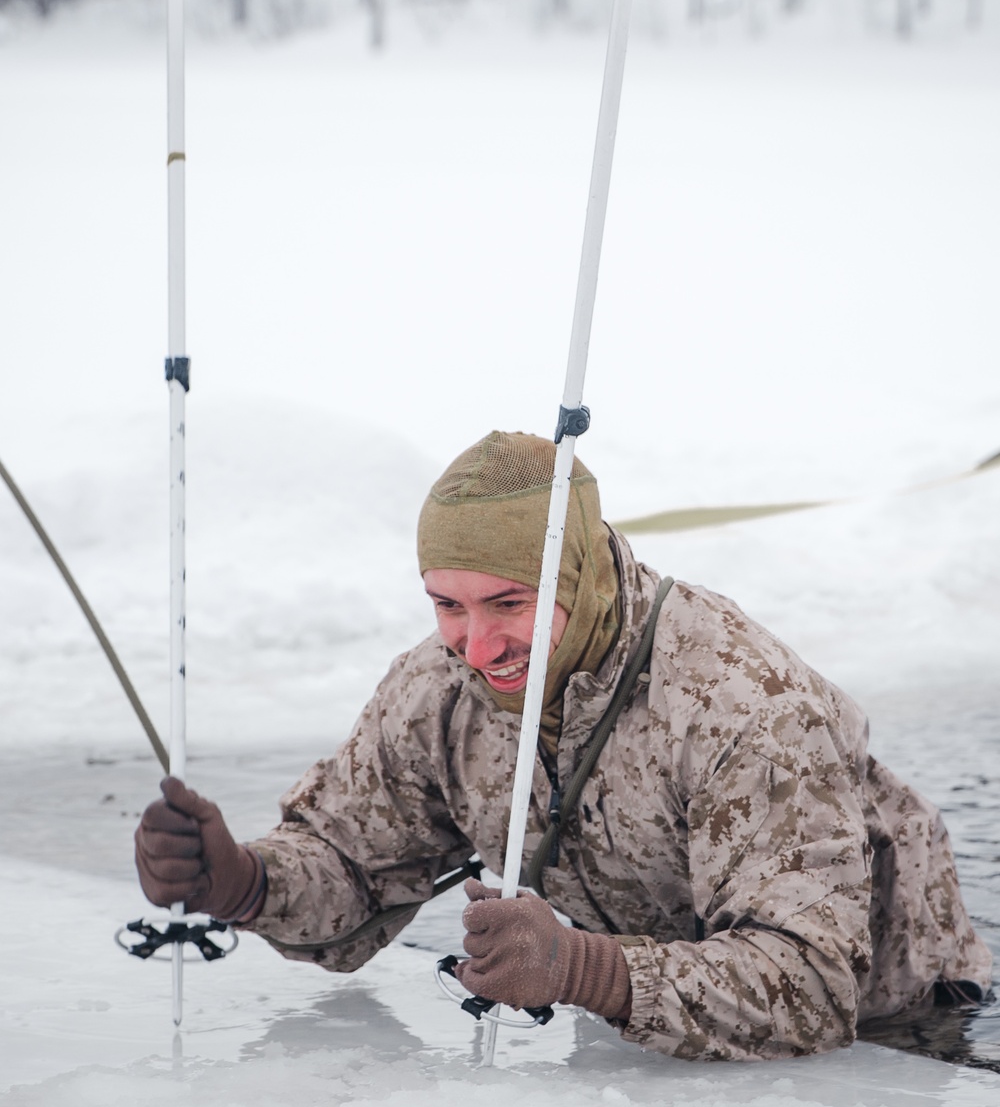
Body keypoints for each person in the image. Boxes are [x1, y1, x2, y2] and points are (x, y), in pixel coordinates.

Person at [135, 430, 992, 1061]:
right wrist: (243, 879)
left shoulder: (739, 700)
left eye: (508, 604)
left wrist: (583, 968)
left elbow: (810, 985)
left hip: (887, 1025)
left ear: (577, 574)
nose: (474, 645)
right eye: (447, 604)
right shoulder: (439, 690)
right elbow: (353, 864)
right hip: (648, 1011)